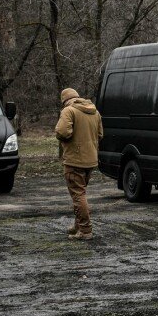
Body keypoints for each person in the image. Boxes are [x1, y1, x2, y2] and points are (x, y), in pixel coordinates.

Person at [55, 87, 103, 240]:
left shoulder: (69, 111)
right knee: (80, 193)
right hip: (90, 160)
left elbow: (62, 132)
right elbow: (100, 134)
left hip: (75, 160)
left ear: (65, 100)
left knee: (78, 195)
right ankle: (79, 225)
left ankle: (85, 230)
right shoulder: (94, 112)